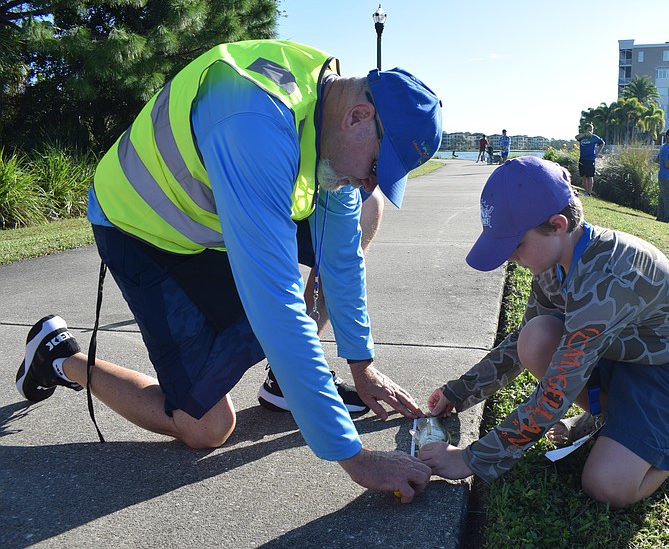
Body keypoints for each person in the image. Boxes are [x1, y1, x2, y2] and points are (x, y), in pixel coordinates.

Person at [15, 39, 443, 502]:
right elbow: (276, 306)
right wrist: (354, 456)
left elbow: (340, 258)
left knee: (364, 208)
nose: (370, 179)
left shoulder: (330, 108)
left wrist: (362, 364)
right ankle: (61, 356)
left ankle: (288, 380)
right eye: (378, 165)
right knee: (206, 428)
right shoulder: (254, 122)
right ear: (358, 116)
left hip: (211, 214)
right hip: (141, 226)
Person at [418, 156, 669, 508]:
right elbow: (523, 343)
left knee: (607, 486)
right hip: (621, 355)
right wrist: (458, 393)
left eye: (515, 245)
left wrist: (470, 459)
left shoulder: (607, 276)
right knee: (536, 336)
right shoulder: (553, 264)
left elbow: (557, 388)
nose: (510, 257)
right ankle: (610, 417)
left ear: (556, 225)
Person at [575, 123, 605, 196]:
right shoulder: (582, 137)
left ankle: (589, 193)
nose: (590, 132)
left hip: (590, 159)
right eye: (589, 130)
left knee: (590, 176)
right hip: (582, 159)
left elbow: (602, 143)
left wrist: (597, 153)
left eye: (591, 130)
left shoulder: (594, 137)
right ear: (585, 130)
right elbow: (576, 137)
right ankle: (586, 191)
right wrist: (584, 135)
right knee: (584, 176)